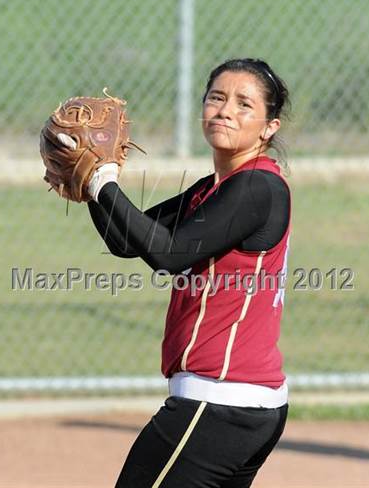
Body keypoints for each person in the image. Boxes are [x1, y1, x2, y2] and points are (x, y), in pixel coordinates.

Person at [87, 58, 292, 488]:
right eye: (216, 98)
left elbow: (170, 255)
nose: (225, 111)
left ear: (269, 127)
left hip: (216, 404)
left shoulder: (256, 187)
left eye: (243, 104)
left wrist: (104, 182)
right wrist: (89, 181)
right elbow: (126, 241)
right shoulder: (214, 189)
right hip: (239, 405)